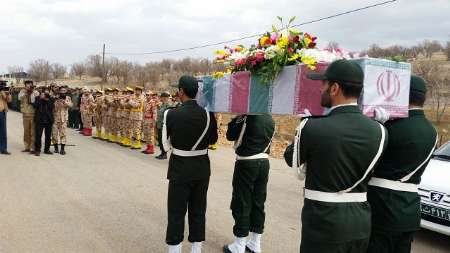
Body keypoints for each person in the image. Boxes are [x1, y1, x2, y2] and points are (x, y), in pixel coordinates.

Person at [283, 59, 388, 253]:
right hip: (360, 223)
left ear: (335, 88)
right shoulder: (380, 130)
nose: (320, 88)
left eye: (323, 83)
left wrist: (301, 132)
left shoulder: (312, 126)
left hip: (324, 223)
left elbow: (295, 165)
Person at [366, 75, 438, 253]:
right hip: (410, 211)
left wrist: (375, 126)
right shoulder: (432, 132)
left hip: (382, 207)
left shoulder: (390, 126)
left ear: (402, 94)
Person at [163, 75, 218, 253]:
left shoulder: (171, 113)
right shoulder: (208, 115)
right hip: (201, 168)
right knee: (198, 209)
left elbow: (164, 144)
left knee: (176, 211)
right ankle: (196, 248)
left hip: (180, 168)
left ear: (181, 91)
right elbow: (214, 139)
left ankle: (175, 249)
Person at [223, 114, 275, 253]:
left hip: (247, 163)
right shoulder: (269, 118)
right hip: (264, 162)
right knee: (258, 202)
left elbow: (230, 135)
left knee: (242, 202)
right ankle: (255, 243)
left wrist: (236, 118)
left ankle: (239, 245)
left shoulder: (245, 117)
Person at [18, 80, 39, 153]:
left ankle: (32, 147)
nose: (29, 87)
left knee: (33, 132)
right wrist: (26, 92)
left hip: (33, 114)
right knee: (26, 131)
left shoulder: (35, 92)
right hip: (25, 114)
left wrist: (32, 92)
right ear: (25, 86)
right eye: (27, 85)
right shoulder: (22, 92)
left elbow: (36, 100)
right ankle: (26, 146)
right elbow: (19, 98)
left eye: (30, 85)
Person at [51, 86, 73, 155]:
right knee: (54, 134)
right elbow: (53, 107)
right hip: (55, 119)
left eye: (64, 90)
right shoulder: (56, 98)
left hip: (63, 119)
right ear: (59, 91)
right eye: (62, 90)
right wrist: (56, 100)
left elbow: (70, 105)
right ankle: (56, 148)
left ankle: (62, 149)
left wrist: (64, 102)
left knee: (63, 134)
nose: (63, 92)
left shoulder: (68, 98)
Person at [34, 89, 55, 156]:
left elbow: (51, 107)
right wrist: (41, 99)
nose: (45, 94)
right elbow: (35, 106)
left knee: (48, 136)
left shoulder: (51, 99)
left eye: (47, 93)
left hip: (48, 120)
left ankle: (47, 149)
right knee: (38, 135)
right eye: (44, 93)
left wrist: (47, 100)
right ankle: (37, 150)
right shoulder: (37, 98)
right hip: (39, 120)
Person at [155, 91, 172, 160]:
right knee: (160, 139)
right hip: (159, 125)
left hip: (164, 126)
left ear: (165, 98)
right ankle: (162, 153)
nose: (161, 98)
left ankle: (164, 154)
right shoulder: (162, 105)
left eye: (162, 97)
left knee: (163, 140)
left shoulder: (169, 105)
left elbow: (167, 115)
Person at [0, 80, 12, 155]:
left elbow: (9, 100)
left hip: (2, 111)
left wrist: (8, 93)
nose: (2, 85)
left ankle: (3, 148)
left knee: (3, 131)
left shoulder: (4, 90)